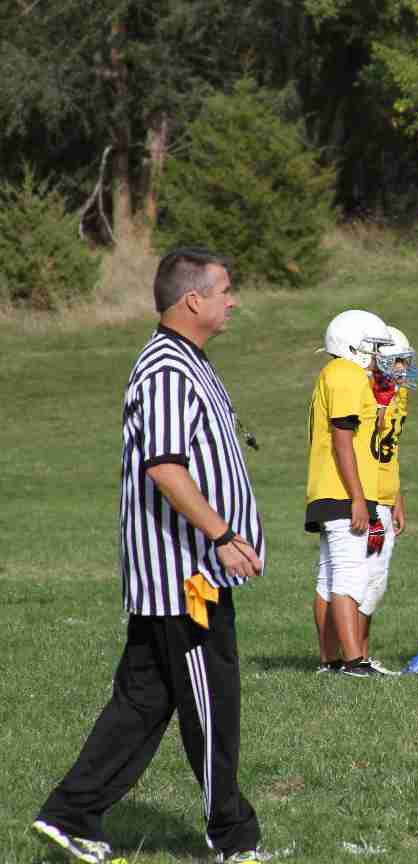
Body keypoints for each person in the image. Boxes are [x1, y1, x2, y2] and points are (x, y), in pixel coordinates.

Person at [32, 247, 266, 864]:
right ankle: (233, 838)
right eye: (224, 289)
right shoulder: (166, 369)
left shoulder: (190, 360)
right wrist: (221, 535)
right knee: (212, 701)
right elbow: (164, 467)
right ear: (193, 299)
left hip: (189, 571)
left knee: (142, 700)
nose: (231, 300)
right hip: (185, 577)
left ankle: (71, 814)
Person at [307, 309, 392, 678]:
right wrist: (358, 496)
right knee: (348, 576)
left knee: (329, 578)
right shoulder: (345, 374)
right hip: (341, 491)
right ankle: (354, 660)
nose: (377, 356)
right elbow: (343, 440)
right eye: (373, 347)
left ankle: (330, 660)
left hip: (330, 489)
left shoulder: (336, 373)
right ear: (353, 346)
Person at [359, 325, 418, 674]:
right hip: (362, 495)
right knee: (364, 577)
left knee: (374, 577)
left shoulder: (398, 394)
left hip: (383, 492)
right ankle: (350, 657)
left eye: (404, 362)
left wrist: (397, 496)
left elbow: (388, 450)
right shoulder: (362, 390)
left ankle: (357, 655)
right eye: (395, 362)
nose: (401, 370)